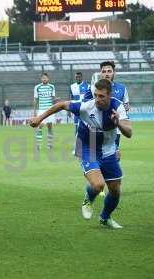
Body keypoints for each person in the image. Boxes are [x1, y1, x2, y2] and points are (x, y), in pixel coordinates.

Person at [29, 79, 132, 229]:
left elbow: (129, 132)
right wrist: (39, 119)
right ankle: (88, 199)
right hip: (87, 147)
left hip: (108, 151)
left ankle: (105, 217)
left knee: (115, 190)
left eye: (101, 96)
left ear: (110, 96)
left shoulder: (118, 107)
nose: (97, 99)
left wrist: (118, 123)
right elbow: (61, 105)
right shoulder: (86, 107)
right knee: (98, 185)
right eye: (95, 95)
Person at [85, 61, 130, 159]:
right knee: (93, 159)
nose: (106, 73)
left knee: (113, 156)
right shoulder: (93, 88)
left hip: (114, 128)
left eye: (109, 71)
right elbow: (84, 105)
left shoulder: (122, 88)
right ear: (101, 73)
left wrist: (123, 119)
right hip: (96, 128)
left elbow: (126, 105)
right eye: (104, 71)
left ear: (114, 73)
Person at [33, 73, 56, 150]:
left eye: (45, 78)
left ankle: (49, 144)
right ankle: (38, 145)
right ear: (41, 79)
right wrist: (34, 111)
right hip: (41, 110)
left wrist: (56, 103)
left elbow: (53, 99)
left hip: (50, 110)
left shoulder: (52, 87)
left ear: (48, 79)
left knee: (50, 126)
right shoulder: (37, 87)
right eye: (43, 78)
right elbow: (35, 100)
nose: (44, 79)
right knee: (40, 126)